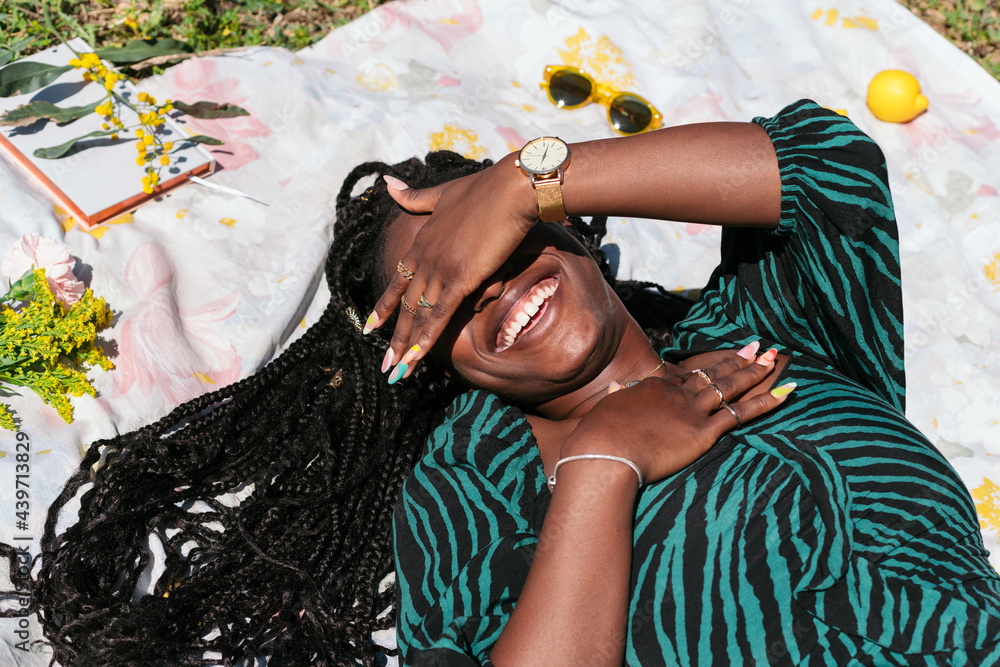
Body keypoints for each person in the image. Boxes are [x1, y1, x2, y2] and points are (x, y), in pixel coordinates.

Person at [4, 99, 998, 667]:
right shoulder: (470, 485)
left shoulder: (759, 326)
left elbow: (832, 168)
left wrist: (525, 177)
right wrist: (606, 467)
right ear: (425, 355)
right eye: (444, 299)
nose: (501, 291)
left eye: (511, 247)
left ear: (577, 233)